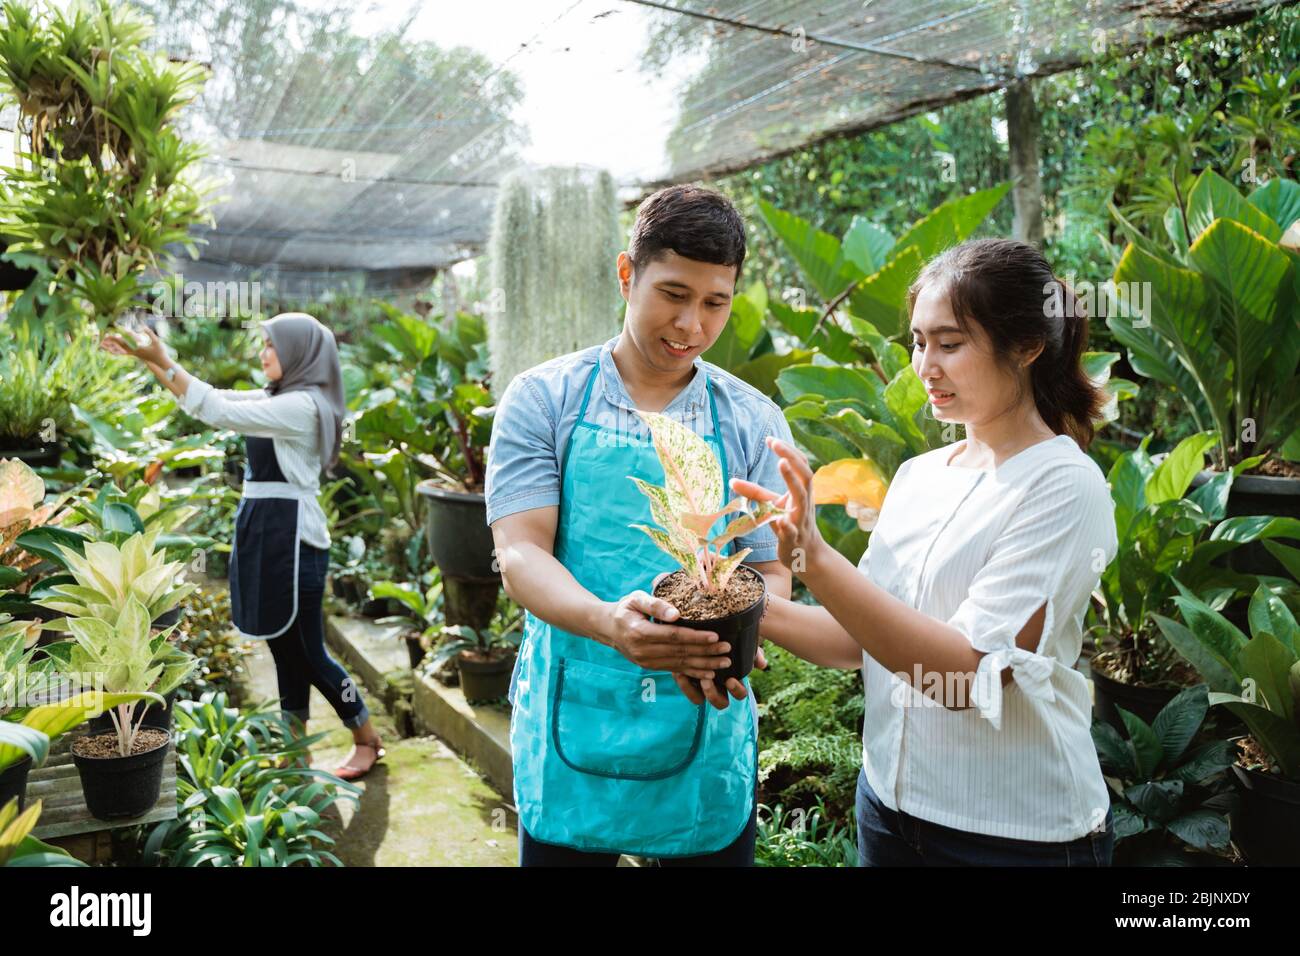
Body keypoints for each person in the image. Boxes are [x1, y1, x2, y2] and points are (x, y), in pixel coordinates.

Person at [732, 238, 1119, 866]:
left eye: (950, 343)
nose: (925, 366)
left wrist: (816, 559)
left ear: (1026, 347)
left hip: (1011, 838)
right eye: (918, 341)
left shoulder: (1064, 487)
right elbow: (851, 640)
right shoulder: (919, 476)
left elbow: (967, 676)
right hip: (887, 810)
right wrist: (729, 597)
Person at [486, 185, 795, 866]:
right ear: (627, 275)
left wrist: (748, 626)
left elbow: (772, 568)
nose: (691, 325)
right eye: (673, 294)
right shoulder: (546, 400)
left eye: (715, 303)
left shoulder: (751, 420)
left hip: (701, 716)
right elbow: (520, 551)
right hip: (577, 701)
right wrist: (607, 622)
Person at [100, 312, 386, 781]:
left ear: (298, 352)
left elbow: (216, 408)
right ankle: (296, 747)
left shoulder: (304, 407)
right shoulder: (279, 398)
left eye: (271, 345)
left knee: (311, 652)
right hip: (266, 534)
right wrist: (150, 360)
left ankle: (366, 736)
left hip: (296, 543)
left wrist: (161, 358)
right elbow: (206, 403)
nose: (262, 354)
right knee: (282, 648)